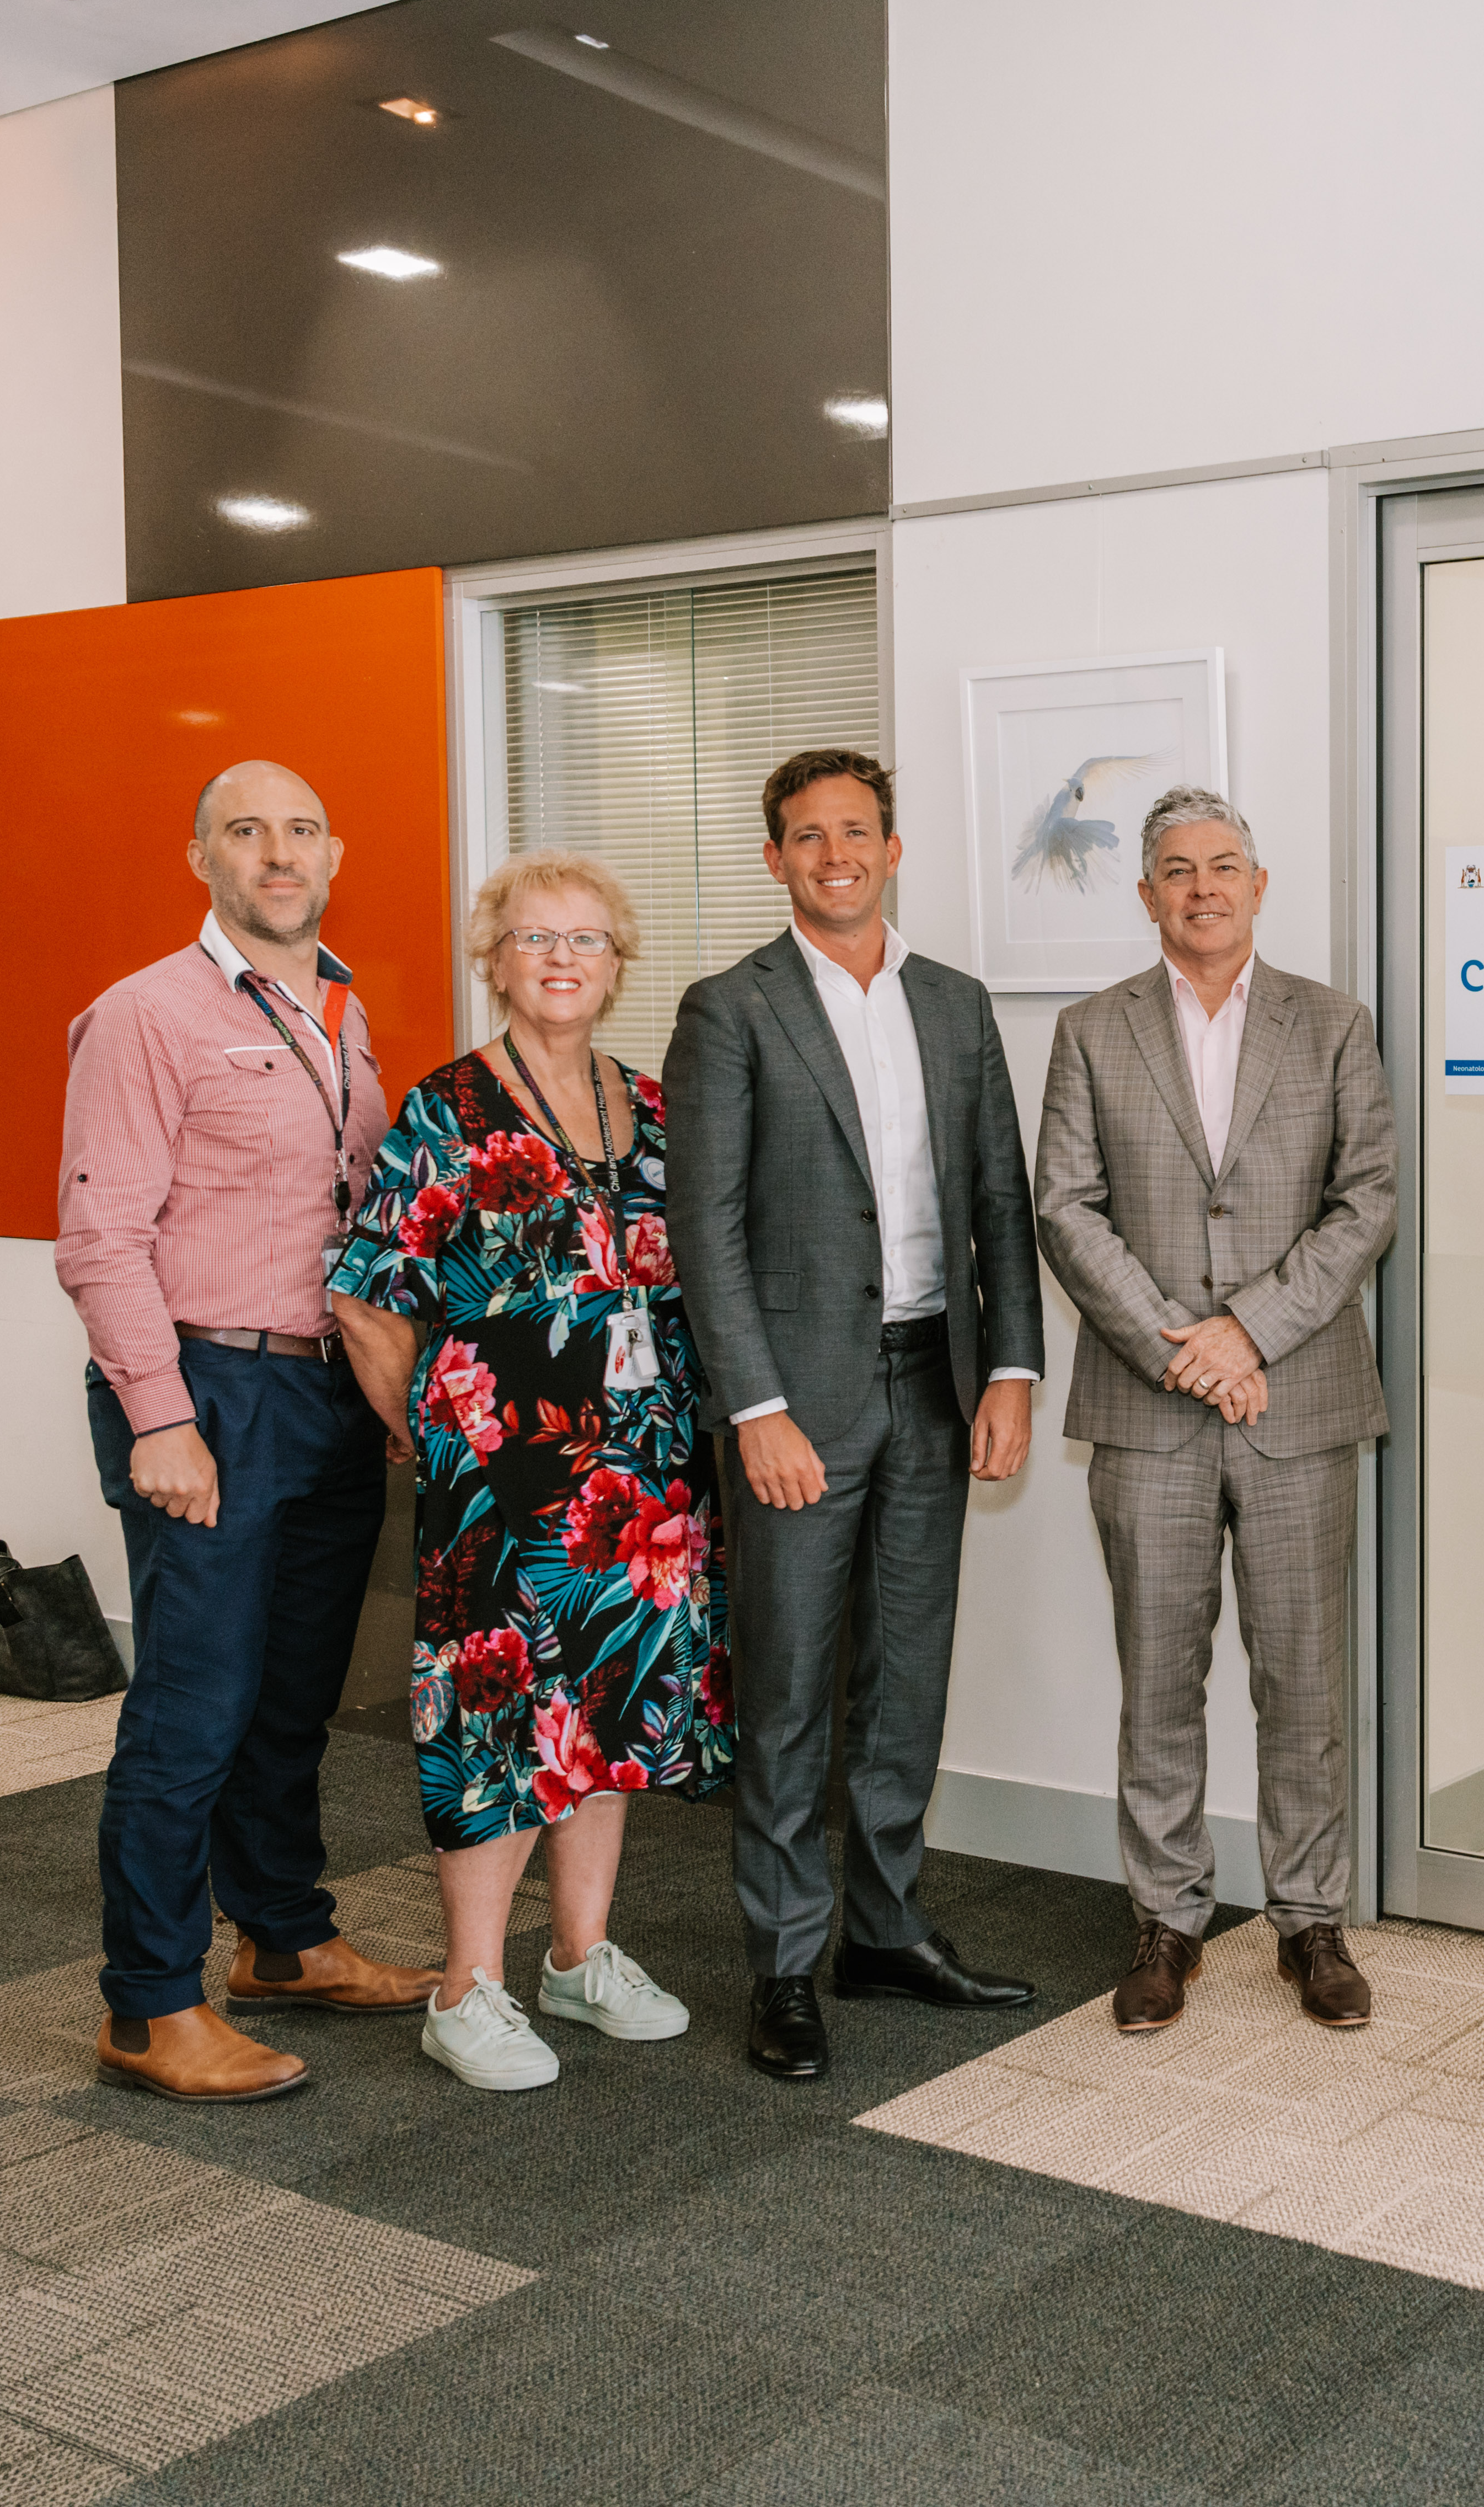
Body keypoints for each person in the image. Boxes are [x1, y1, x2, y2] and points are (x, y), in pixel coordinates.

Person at [53, 760, 441, 2101]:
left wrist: (381, 1384)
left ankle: (283, 1939)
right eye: (244, 829)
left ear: (333, 852)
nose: (276, 852)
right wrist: (160, 1419)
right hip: (204, 1392)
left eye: (299, 829)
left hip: (322, 1393)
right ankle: (148, 2002)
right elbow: (100, 1240)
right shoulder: (144, 1014)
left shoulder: (339, 1004)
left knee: (291, 1695)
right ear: (200, 855)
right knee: (192, 1704)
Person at [662, 746, 1047, 2083]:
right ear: (774, 858)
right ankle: (782, 1959)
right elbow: (702, 1230)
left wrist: (1012, 1369)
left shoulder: (955, 1003)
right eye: (807, 834)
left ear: (893, 848)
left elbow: (1000, 1198)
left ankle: (882, 1929)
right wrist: (754, 1407)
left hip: (933, 1387)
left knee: (905, 1679)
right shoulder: (729, 1009)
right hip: (799, 1402)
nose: (835, 852)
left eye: (858, 830)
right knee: (784, 1693)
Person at [329, 851, 728, 2092]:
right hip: (500, 1480)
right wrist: (444, 1430)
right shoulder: (445, 1106)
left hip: (642, 1481)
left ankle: (579, 1953)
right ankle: (468, 1985)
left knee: (604, 1720)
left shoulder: (656, 1106)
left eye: (587, 939)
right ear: (492, 957)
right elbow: (367, 1300)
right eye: (535, 937)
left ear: (618, 965)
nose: (561, 958)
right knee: (498, 1720)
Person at [1034, 787, 1400, 2034]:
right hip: (1150, 1409)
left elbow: (1366, 1202)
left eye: (1225, 865)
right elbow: (1065, 1209)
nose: (1203, 886)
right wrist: (1188, 1352)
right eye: (1178, 869)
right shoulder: (1091, 1030)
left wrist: (1248, 1332)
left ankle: (1310, 1920)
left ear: (1259, 883)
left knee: (1303, 1677)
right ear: (1147, 895)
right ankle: (1166, 1919)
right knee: (1159, 1674)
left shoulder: (1335, 1023)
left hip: (1298, 1398)